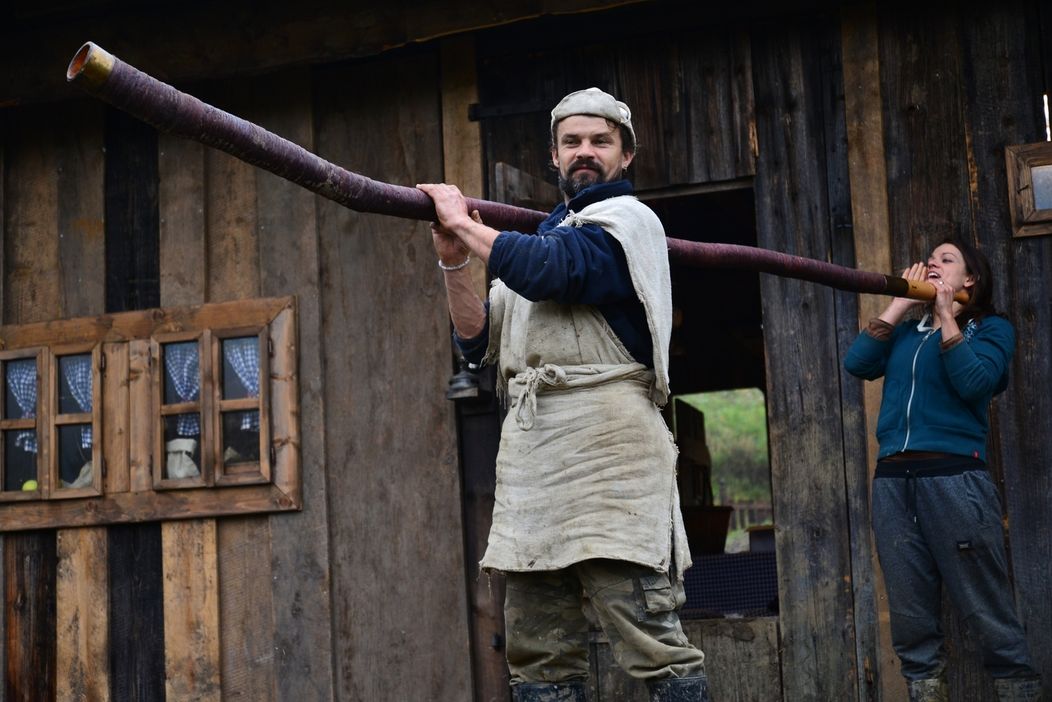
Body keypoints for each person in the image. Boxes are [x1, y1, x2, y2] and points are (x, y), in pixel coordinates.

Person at [418, 87, 709, 702]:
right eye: (572, 141)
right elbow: (478, 344)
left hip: (610, 456)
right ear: (553, 155)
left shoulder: (628, 225)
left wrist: (467, 224)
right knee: (538, 653)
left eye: (600, 141)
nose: (585, 152)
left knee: (652, 639)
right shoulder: (542, 241)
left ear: (625, 155)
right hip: (537, 463)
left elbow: (558, 273)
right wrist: (454, 263)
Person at [844, 239, 1042, 702]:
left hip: (955, 481)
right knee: (911, 615)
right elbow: (857, 363)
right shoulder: (907, 332)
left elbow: (975, 383)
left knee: (986, 606)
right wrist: (900, 303)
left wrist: (949, 317)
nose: (932, 263)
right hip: (894, 484)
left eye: (945, 260)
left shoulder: (993, 329)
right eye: (929, 260)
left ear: (969, 279)